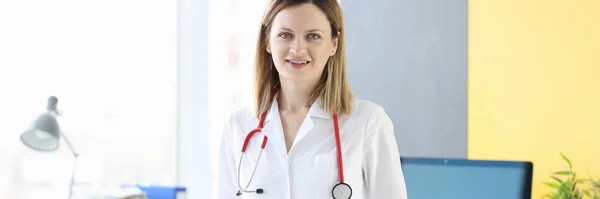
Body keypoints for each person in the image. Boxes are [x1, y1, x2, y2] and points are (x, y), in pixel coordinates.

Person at [212, 0, 407, 198]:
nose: (297, 49)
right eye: (285, 35)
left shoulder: (368, 123)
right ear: (268, 41)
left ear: (334, 44)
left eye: (313, 36)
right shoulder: (237, 127)